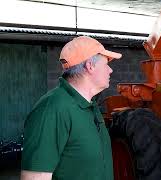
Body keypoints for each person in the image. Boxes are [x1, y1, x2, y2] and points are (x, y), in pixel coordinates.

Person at [21, 36, 122, 180]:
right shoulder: (52, 109)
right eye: (106, 64)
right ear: (90, 66)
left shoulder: (91, 107)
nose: (110, 70)